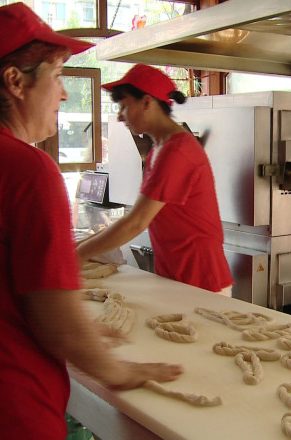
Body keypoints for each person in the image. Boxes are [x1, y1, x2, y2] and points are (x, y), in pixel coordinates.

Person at [0, 5, 181, 439]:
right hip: (7, 416)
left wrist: (84, 330)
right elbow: (57, 323)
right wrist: (120, 371)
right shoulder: (24, 168)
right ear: (15, 81)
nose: (64, 94)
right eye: (58, 76)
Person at [77, 64, 234, 295]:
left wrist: (75, 257)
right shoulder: (159, 150)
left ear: (147, 103)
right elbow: (136, 218)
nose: (120, 116)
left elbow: (136, 223)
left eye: (124, 106)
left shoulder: (177, 151)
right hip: (179, 278)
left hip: (201, 281)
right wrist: (74, 250)